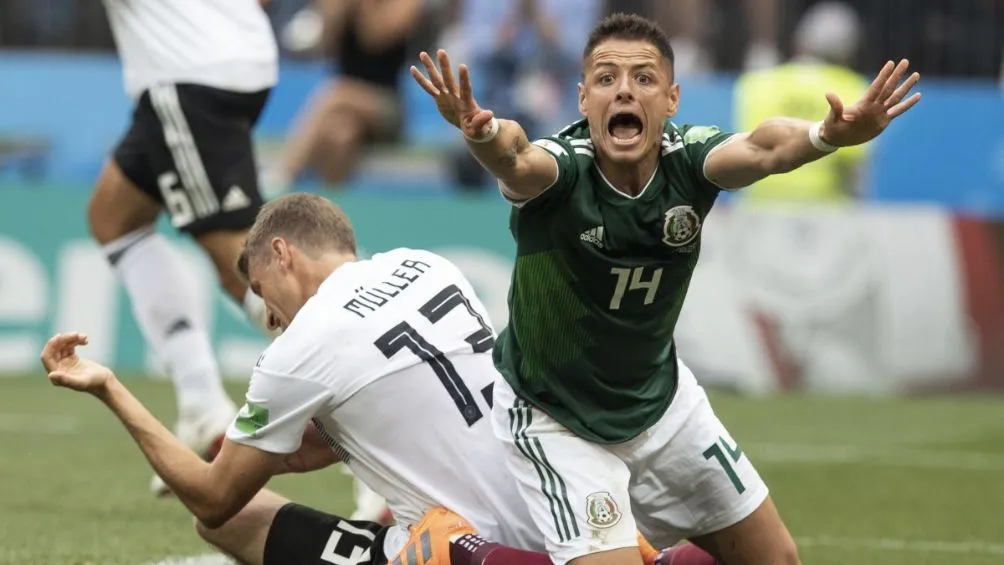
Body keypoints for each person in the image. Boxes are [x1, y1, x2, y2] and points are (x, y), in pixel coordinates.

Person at [410, 11, 920, 565]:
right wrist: (481, 131)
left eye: (644, 78)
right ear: (583, 100)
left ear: (672, 99)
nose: (624, 90)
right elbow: (515, 155)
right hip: (556, 418)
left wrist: (826, 135)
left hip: (661, 404)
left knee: (778, 559)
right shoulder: (564, 170)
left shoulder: (689, 160)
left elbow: (765, 148)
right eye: (606, 78)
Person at [41, 193, 717, 565]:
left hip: (472, 544)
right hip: (568, 510)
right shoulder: (429, 265)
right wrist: (307, 445)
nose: (269, 317)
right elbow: (420, 392)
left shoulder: (300, 348)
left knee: (223, 518)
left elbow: (213, 499)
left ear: (281, 252)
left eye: (262, 291)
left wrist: (110, 388)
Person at [88, 0, 279, 496]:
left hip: (188, 70)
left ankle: (375, 411)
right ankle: (201, 404)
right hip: (227, 53)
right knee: (114, 218)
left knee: (245, 266)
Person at [734, 1, 871, 204]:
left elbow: (740, 155)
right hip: (826, 208)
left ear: (800, 42)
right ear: (849, 53)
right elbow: (853, 169)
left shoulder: (756, 83)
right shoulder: (852, 87)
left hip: (761, 205)